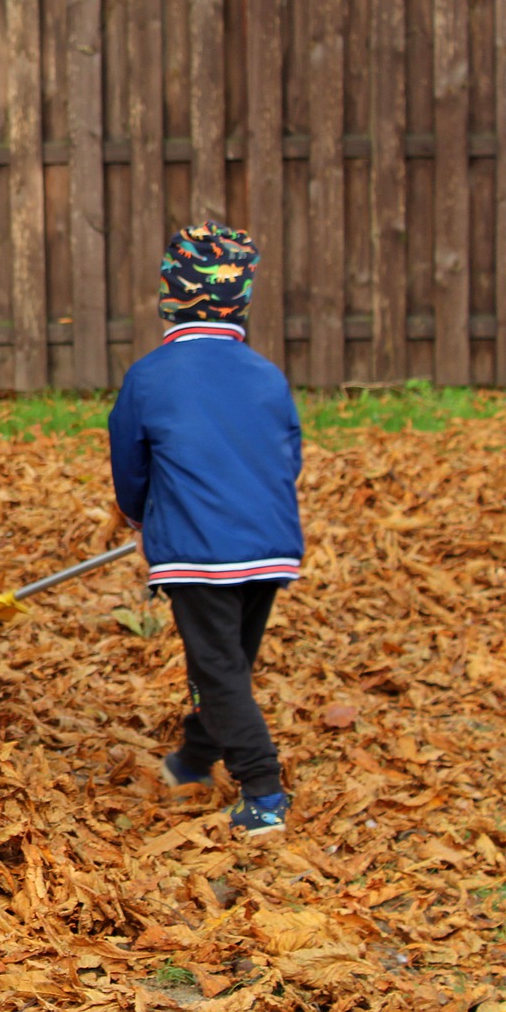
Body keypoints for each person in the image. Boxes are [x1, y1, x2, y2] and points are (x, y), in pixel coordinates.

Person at [108, 222, 304, 837]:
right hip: (269, 547)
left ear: (169, 294)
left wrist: (140, 517)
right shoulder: (267, 375)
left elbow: (129, 463)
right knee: (224, 664)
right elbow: (287, 455)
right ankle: (195, 757)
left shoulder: (151, 376)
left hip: (199, 551)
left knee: (218, 669)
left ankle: (264, 789)